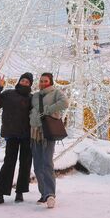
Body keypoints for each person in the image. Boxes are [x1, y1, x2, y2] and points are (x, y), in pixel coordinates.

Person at [0, 73, 34, 206]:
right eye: (23, 80)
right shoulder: (8, 94)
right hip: (12, 134)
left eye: (27, 81)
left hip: (27, 136)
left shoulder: (32, 98)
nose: (24, 82)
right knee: (8, 163)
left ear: (30, 84)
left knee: (25, 164)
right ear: (19, 81)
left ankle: (20, 191)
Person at [30, 73, 69, 209]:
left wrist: (48, 110)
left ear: (50, 82)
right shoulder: (35, 96)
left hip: (47, 133)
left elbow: (65, 103)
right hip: (34, 133)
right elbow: (31, 109)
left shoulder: (56, 92)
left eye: (45, 81)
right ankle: (44, 194)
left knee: (47, 163)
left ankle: (50, 194)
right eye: (41, 81)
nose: (42, 83)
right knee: (37, 166)